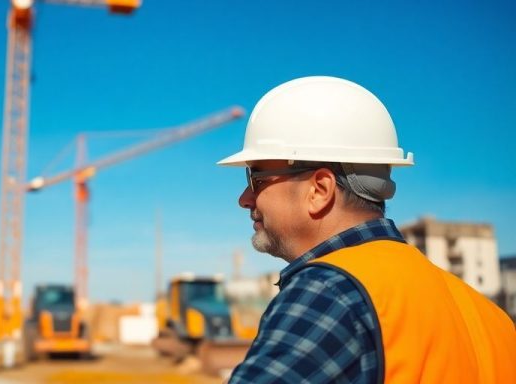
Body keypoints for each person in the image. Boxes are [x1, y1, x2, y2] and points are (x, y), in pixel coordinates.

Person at [218, 76, 516, 383]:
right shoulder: (489, 317)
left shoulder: (330, 291)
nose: (245, 199)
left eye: (257, 179)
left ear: (319, 190)